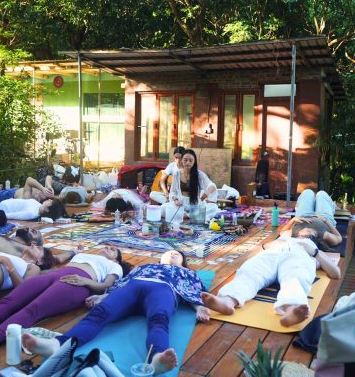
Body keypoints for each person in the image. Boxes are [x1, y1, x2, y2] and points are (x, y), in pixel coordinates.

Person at [22, 250, 211, 375]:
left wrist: (198, 305)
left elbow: (193, 290)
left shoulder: (187, 273)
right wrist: (104, 296)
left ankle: (156, 359)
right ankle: (57, 344)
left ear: (183, 262)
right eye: (168, 252)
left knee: (159, 320)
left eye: (176, 254)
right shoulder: (144, 267)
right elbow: (123, 282)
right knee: (100, 313)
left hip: (163, 289)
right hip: (134, 286)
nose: (172, 254)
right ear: (159, 258)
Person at [0, 246, 132, 355]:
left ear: (116, 258)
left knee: (33, 309)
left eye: (112, 250)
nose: (107, 248)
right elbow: (57, 259)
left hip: (78, 282)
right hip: (54, 275)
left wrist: (86, 282)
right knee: (10, 301)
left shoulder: (114, 266)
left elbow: (106, 285)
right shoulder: (84, 254)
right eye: (107, 246)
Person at [201, 236, 341, 327]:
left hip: (298, 256)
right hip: (272, 254)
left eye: (309, 232)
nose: (306, 230)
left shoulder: (314, 248)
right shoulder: (287, 235)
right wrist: (286, 234)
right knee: (250, 271)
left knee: (296, 278)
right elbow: (266, 245)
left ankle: (292, 309)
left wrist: (315, 252)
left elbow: (336, 273)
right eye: (302, 229)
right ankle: (228, 301)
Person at [0, 226, 73, 266]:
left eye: (34, 232)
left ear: (33, 244)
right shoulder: (9, 238)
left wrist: (74, 252)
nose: (29, 228)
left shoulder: (23, 252)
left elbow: (56, 259)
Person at [162, 149, 218, 222]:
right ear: (182, 160)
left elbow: (212, 185)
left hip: (195, 204)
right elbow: (173, 192)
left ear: (194, 162)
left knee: (214, 208)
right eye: (185, 160)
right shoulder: (177, 174)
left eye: (191, 160)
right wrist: (176, 200)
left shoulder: (199, 174)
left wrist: (206, 193)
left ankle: (187, 215)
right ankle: (190, 216)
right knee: (163, 208)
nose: (188, 162)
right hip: (181, 204)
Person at [0, 198, 68, 221]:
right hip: (6, 201)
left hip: (4, 207)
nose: (49, 199)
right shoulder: (39, 205)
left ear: (47, 209)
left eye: (51, 201)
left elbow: (10, 216)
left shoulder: (31, 213)